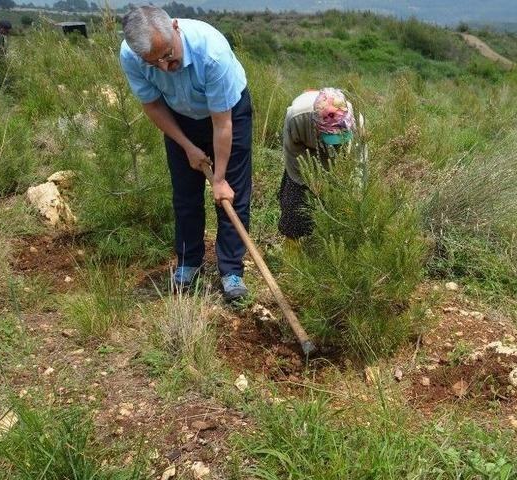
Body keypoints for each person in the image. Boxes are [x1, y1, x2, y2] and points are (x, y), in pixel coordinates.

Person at [119, 6, 253, 301]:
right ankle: (188, 262)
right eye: (154, 63)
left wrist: (218, 179)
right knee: (185, 193)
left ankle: (231, 271)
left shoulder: (211, 52)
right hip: (178, 117)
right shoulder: (131, 55)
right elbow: (152, 105)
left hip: (227, 114)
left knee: (233, 193)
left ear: (175, 27)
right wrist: (186, 146)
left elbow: (222, 123)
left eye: (168, 55)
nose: (165, 67)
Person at [278, 88, 356, 241]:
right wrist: (313, 187)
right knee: (294, 206)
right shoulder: (296, 118)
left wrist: (353, 192)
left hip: (339, 158)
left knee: (337, 207)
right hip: (303, 150)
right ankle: (292, 250)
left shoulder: (354, 121)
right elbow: (294, 158)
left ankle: (320, 245)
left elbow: (358, 163)